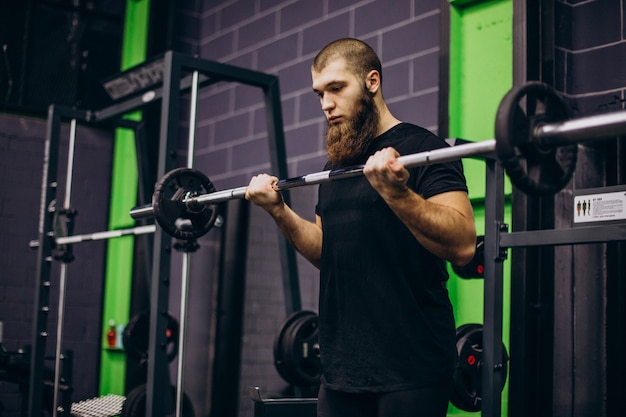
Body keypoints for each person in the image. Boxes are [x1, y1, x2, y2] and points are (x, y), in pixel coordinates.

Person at [245, 38, 476, 417]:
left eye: (337, 88)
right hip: (340, 371)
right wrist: (279, 211)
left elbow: (464, 244)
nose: (326, 104)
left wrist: (396, 193)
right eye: (319, 94)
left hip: (412, 367)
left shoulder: (421, 147)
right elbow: (325, 251)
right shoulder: (334, 168)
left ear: (372, 81)